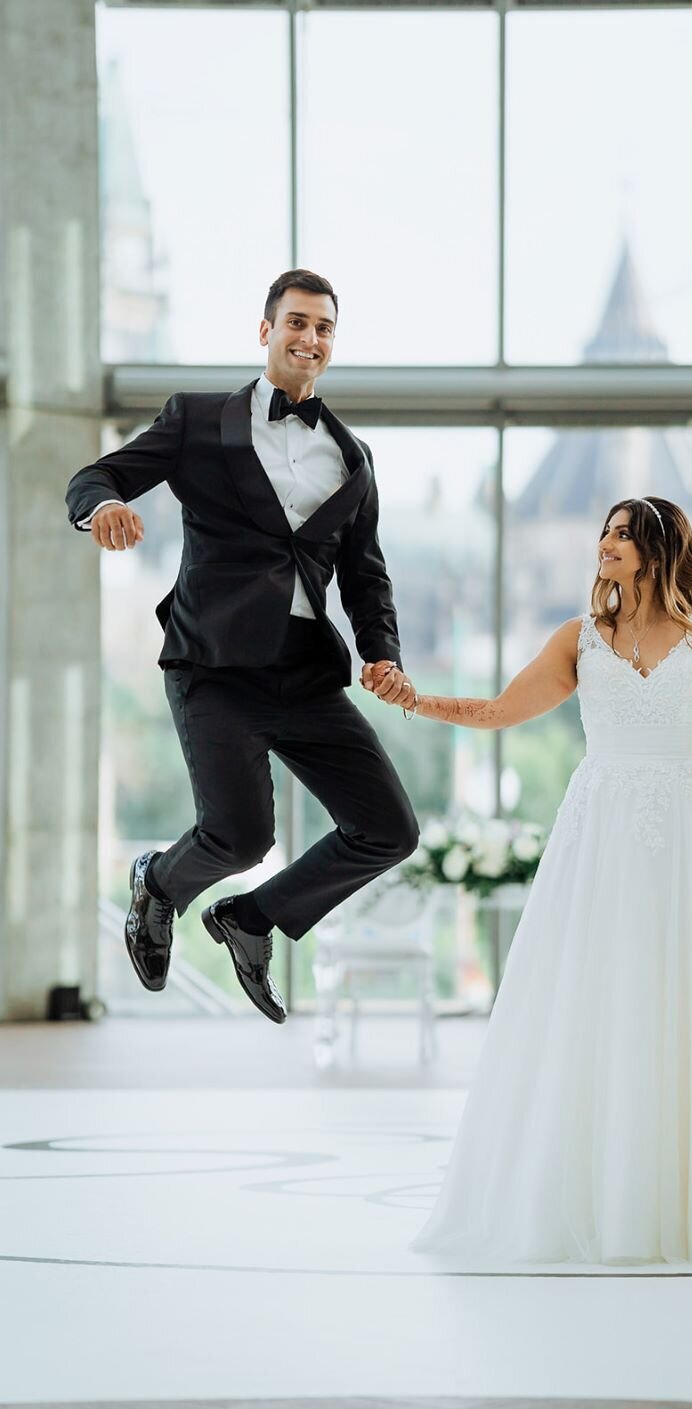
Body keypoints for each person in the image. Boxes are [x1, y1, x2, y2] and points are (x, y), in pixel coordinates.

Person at [366, 495, 692, 1265]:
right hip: (601, 835)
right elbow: (497, 709)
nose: (606, 542)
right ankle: (598, 1200)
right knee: (597, 999)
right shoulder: (577, 641)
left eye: (621, 533)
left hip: (690, 834)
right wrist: (416, 697)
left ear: (656, 550)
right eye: (605, 531)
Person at [66, 269, 419, 1024]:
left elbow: (365, 575)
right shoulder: (200, 420)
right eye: (296, 322)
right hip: (213, 666)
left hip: (304, 672)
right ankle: (159, 885)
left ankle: (252, 919)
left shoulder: (352, 459)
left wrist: (381, 650)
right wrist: (102, 507)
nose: (310, 338)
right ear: (266, 331)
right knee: (241, 835)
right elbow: (99, 475)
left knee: (390, 828)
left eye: (324, 327)